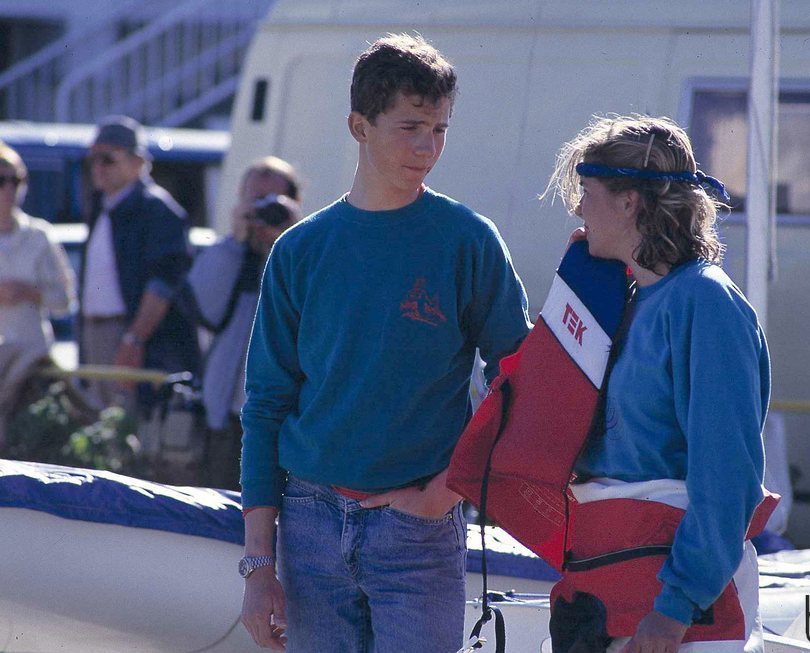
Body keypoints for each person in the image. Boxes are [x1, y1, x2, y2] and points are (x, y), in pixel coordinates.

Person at [238, 34, 531, 652]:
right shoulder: (299, 251)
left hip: (421, 530)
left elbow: (520, 381)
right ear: (358, 126)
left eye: (440, 129)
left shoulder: (469, 240)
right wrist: (258, 566)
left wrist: (447, 491)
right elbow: (265, 406)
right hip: (308, 523)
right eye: (411, 127)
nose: (429, 147)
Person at [544, 115, 771, 653]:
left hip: (678, 615)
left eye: (587, 190)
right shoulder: (619, 300)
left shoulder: (705, 302)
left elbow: (726, 478)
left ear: (629, 202)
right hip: (606, 592)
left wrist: (672, 612)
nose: (577, 208)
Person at [180, 157, 302, 490]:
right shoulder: (229, 252)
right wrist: (236, 241)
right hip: (226, 413)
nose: (265, 211)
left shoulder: (302, 253)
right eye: (255, 200)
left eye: (273, 201)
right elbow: (203, 306)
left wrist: (288, 238)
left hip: (280, 418)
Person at [78, 115, 199, 412]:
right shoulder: (102, 205)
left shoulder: (157, 209)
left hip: (132, 337)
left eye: (108, 159)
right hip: (98, 333)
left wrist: (134, 339)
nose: (98, 167)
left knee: (132, 430)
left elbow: (164, 282)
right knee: (101, 431)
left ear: (138, 163)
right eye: (93, 158)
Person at [0, 140, 77, 355]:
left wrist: (28, 293)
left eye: (16, 180)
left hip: (32, 356)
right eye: (1, 181)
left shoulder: (39, 236)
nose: (9, 189)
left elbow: (65, 300)